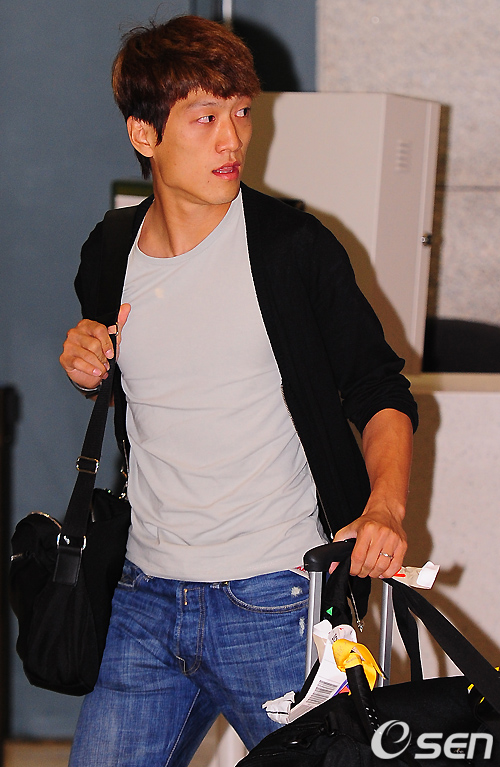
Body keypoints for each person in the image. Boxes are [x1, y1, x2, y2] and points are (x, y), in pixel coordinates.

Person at [59, 14, 417, 767]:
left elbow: (378, 388)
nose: (233, 139)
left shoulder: (293, 250)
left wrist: (384, 506)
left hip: (274, 600)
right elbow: (138, 386)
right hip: (143, 598)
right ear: (144, 134)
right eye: (205, 117)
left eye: (243, 112)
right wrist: (88, 365)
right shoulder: (109, 252)